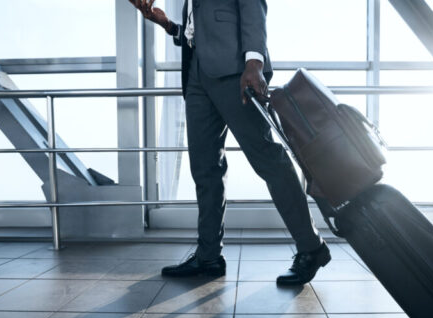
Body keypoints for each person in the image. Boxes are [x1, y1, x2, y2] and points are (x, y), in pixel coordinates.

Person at [129, 0, 330, 285]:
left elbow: (252, 7)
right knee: (205, 167)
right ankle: (208, 255)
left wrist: (254, 63)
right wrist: (167, 25)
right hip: (197, 74)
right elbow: (201, 27)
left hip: (237, 72)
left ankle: (312, 248)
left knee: (268, 160)